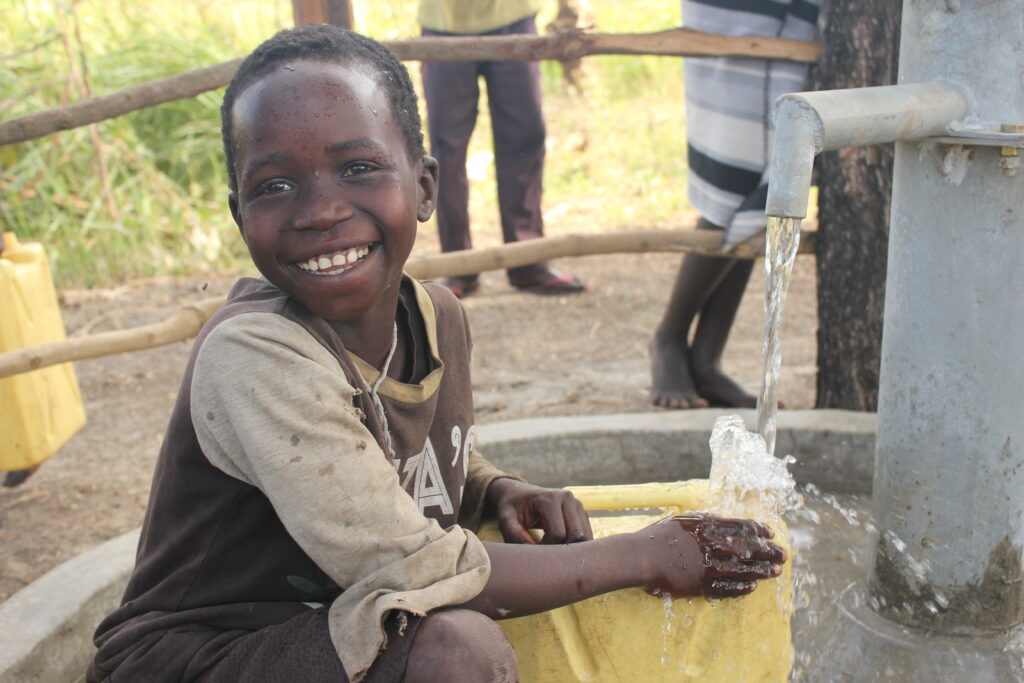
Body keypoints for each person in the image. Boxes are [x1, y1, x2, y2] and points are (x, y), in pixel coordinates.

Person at [87, 25, 786, 682]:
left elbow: (387, 451)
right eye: (274, 186)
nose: (319, 210)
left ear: (425, 186)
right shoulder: (254, 356)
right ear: (239, 213)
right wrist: (644, 555)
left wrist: (491, 486)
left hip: (329, 630)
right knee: (457, 650)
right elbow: (417, 563)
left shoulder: (436, 317)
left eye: (358, 168)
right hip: (204, 654)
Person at [650, 0, 820, 409]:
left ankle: (707, 358)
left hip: (797, 21)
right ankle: (669, 338)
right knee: (732, 182)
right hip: (736, 15)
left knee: (766, 191)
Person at [418, 0, 588, 298]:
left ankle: (527, 261)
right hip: (444, 22)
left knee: (524, 136)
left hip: (513, 15)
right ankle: (458, 264)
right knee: (447, 150)